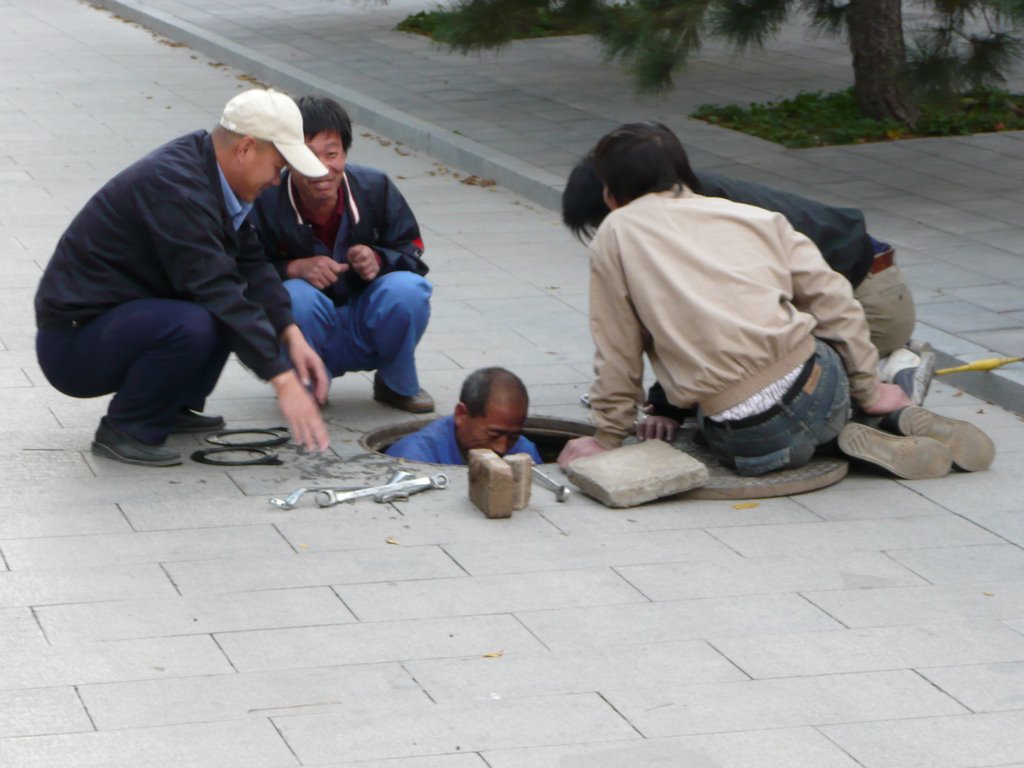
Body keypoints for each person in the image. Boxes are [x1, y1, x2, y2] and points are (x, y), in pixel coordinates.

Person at [557, 122, 993, 479]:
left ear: (610, 194)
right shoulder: (755, 217)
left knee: (710, 418)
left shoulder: (617, 233)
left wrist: (608, 435)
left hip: (746, 439)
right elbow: (833, 300)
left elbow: (617, 348)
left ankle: (834, 440)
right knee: (804, 340)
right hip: (819, 385)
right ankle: (877, 411)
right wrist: (864, 386)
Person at [35, 89, 332, 467]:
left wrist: (291, 334)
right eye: (278, 166)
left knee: (220, 308)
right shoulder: (175, 186)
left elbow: (251, 265)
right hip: (73, 345)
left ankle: (169, 403)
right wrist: (283, 380)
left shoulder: (213, 176)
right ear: (245, 148)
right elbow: (218, 289)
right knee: (201, 318)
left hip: (123, 321)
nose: (278, 180)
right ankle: (127, 426)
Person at [562, 151, 934, 442]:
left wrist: (664, 407)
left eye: (603, 222)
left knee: (778, 393)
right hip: (854, 287)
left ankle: (889, 371)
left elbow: (705, 324)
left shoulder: (691, 217)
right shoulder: (676, 200)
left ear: (616, 200)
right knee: (736, 391)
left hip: (871, 297)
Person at [251, 95, 434, 414]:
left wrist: (378, 259)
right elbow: (244, 270)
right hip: (301, 328)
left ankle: (396, 383)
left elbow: (411, 252)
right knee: (295, 297)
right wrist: (293, 268)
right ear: (286, 158)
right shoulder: (265, 199)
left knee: (407, 290)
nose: (322, 168)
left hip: (365, 319)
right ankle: (303, 387)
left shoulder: (375, 187)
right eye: (306, 155)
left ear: (345, 153)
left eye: (332, 154)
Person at [386, 367, 543, 465]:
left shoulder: (523, 451)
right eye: (494, 434)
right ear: (461, 415)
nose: (502, 448)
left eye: (513, 436)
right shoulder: (412, 459)